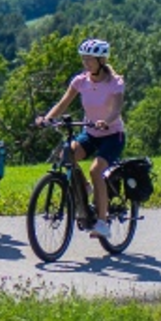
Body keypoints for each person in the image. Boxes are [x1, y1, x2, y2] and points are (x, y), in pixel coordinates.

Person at [36, 38, 125, 240]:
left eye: (90, 60)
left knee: (96, 170)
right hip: (91, 133)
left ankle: (102, 222)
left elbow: (117, 109)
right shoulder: (80, 81)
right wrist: (47, 119)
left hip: (112, 135)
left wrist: (106, 120)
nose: (85, 63)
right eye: (84, 59)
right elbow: (63, 103)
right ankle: (84, 186)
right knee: (66, 154)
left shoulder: (115, 82)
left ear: (101, 60)